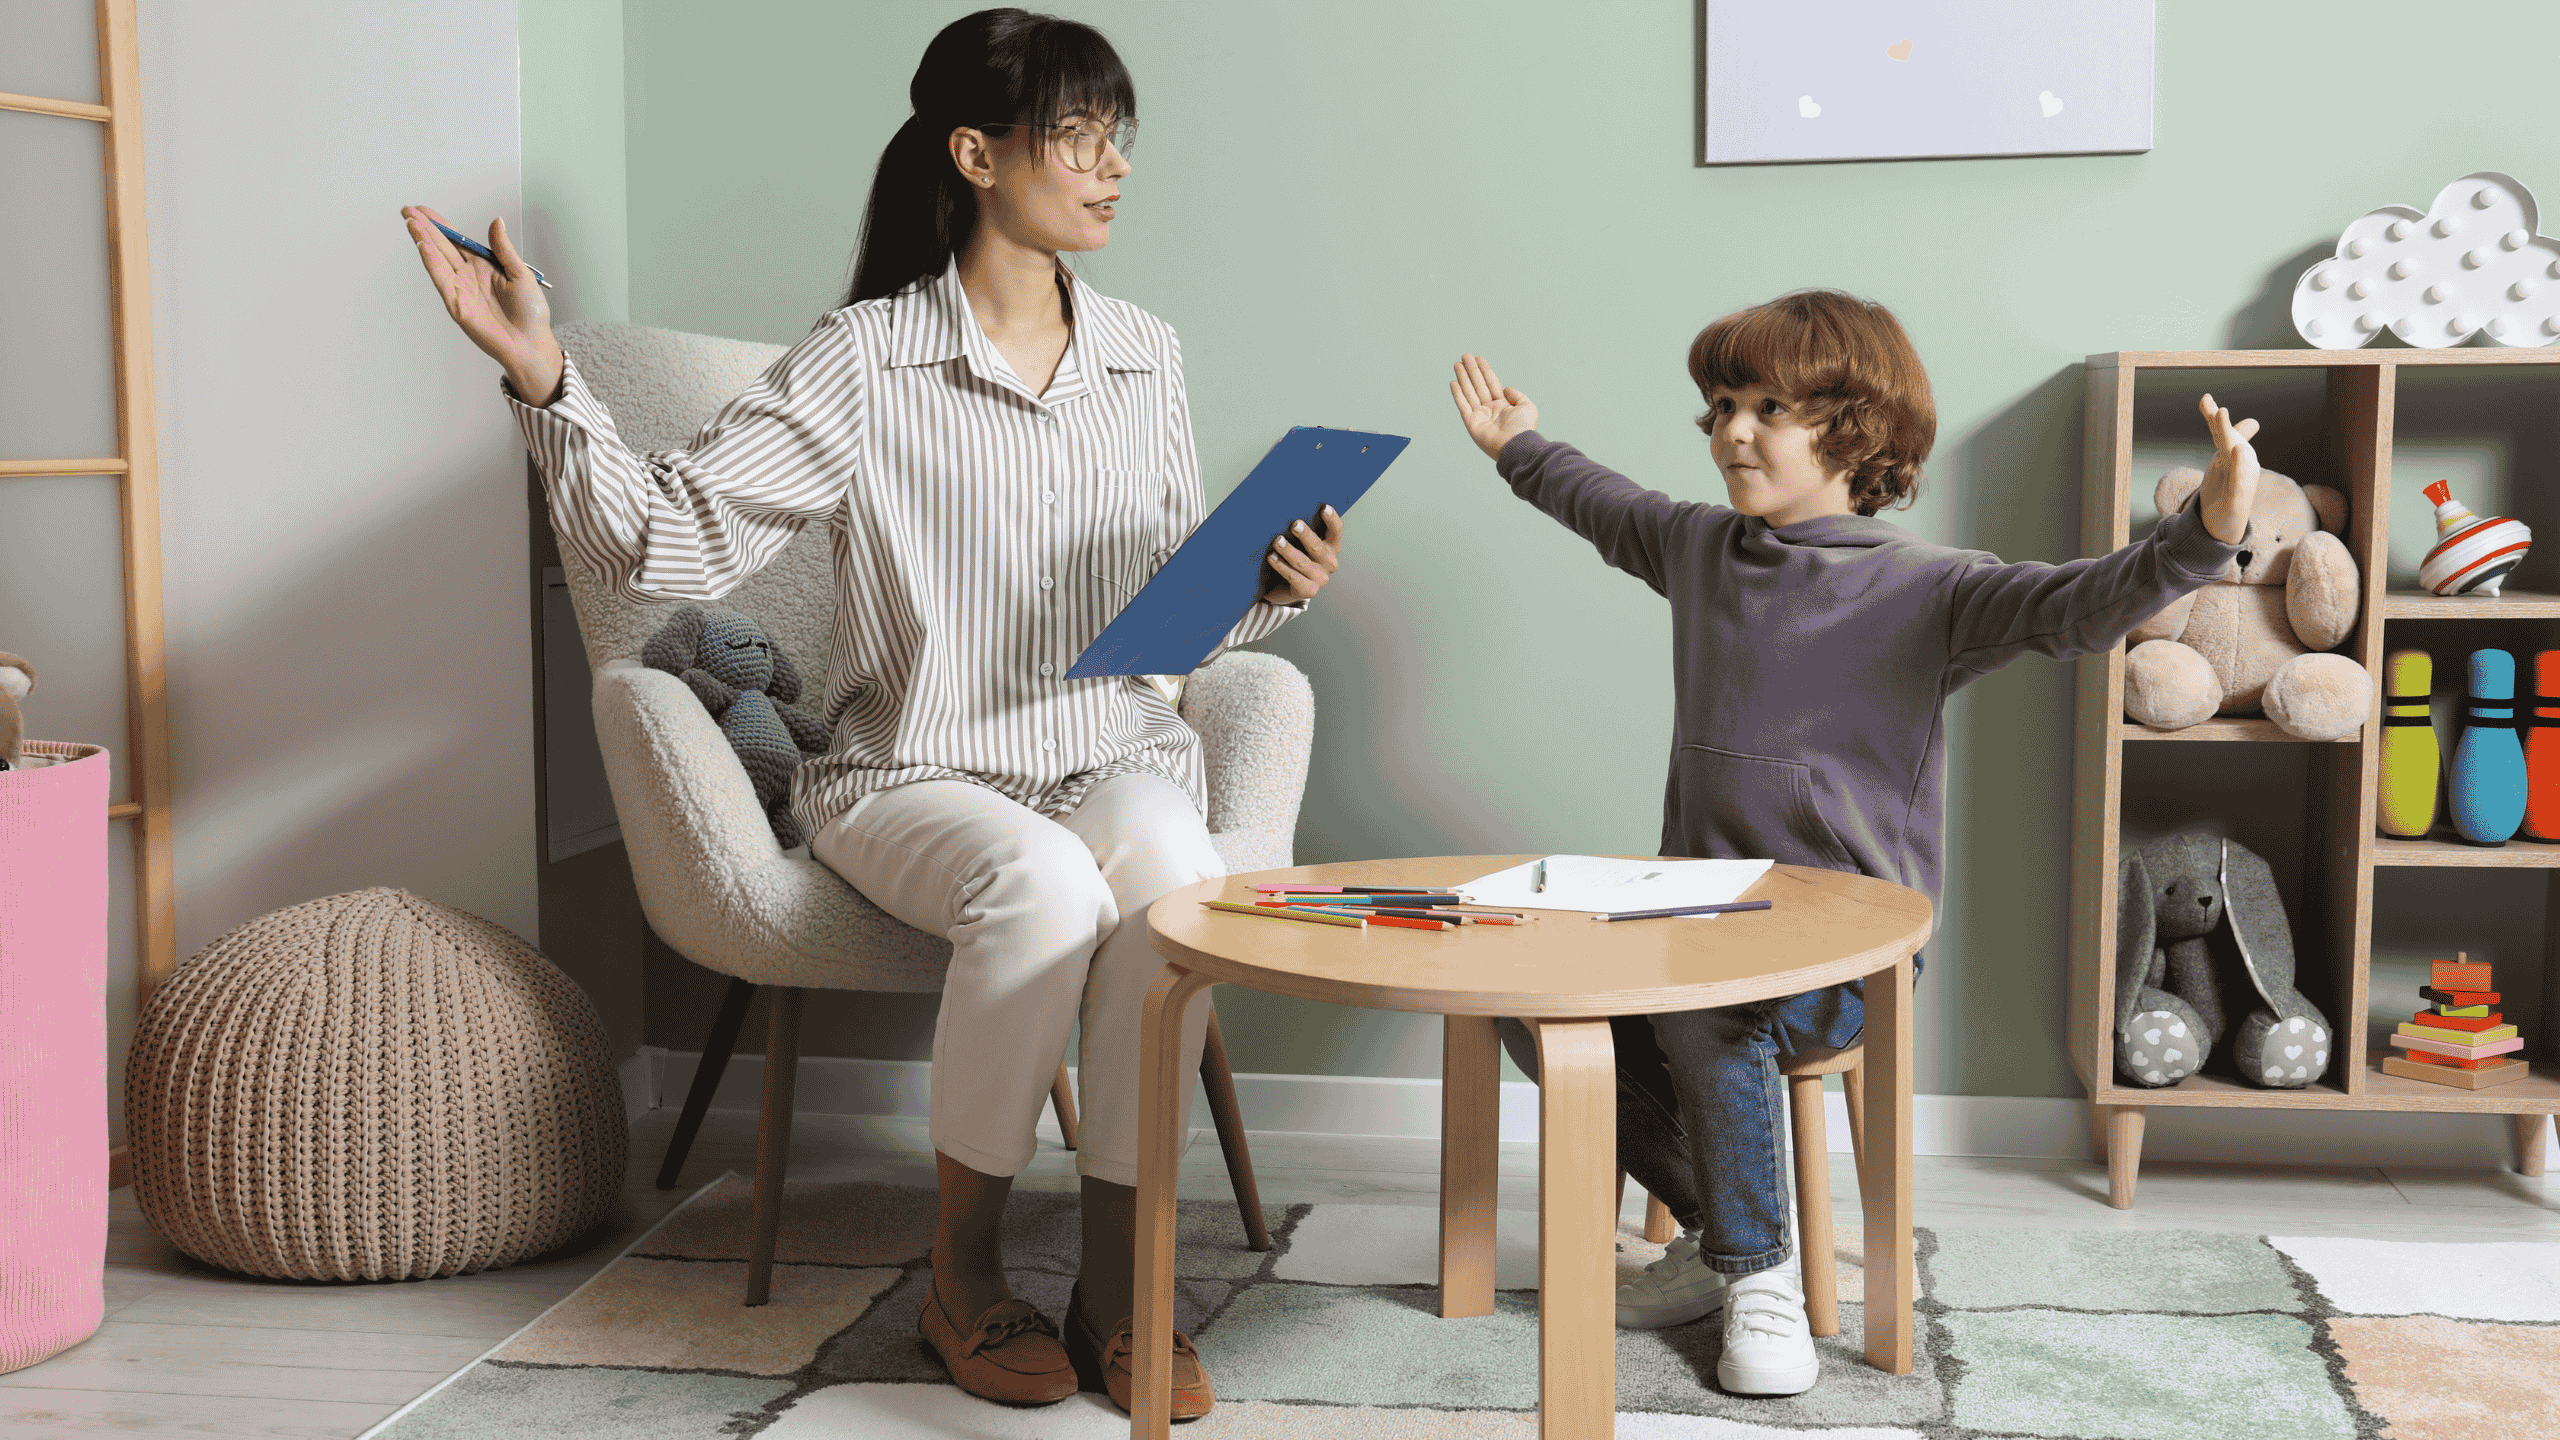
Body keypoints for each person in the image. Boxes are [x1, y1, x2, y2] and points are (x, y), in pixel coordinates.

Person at [404, 8, 1347, 1419]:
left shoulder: (1148, 355)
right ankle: (961, 1281)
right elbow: (665, 544)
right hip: (914, 770)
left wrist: (1270, 588)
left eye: (1119, 137)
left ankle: (1117, 1285)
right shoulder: (865, 357)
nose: (1113, 166)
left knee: (1171, 865)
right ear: (976, 154)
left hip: (1111, 747)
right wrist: (545, 380)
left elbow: (1168, 611)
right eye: (1079, 136)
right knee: (1032, 882)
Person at [1447, 291, 2257, 1397]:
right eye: (1721, 405)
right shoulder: (1698, 549)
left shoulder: (1930, 588)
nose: (1733, 430)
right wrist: (1518, 446)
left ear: (1856, 430)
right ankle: (1731, 1234)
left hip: (1847, 964)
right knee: (1519, 995)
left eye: (1768, 407)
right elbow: (1602, 501)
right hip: (1689, 929)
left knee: (1702, 1002)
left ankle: (1756, 1276)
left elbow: (2083, 604)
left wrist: (2202, 533)